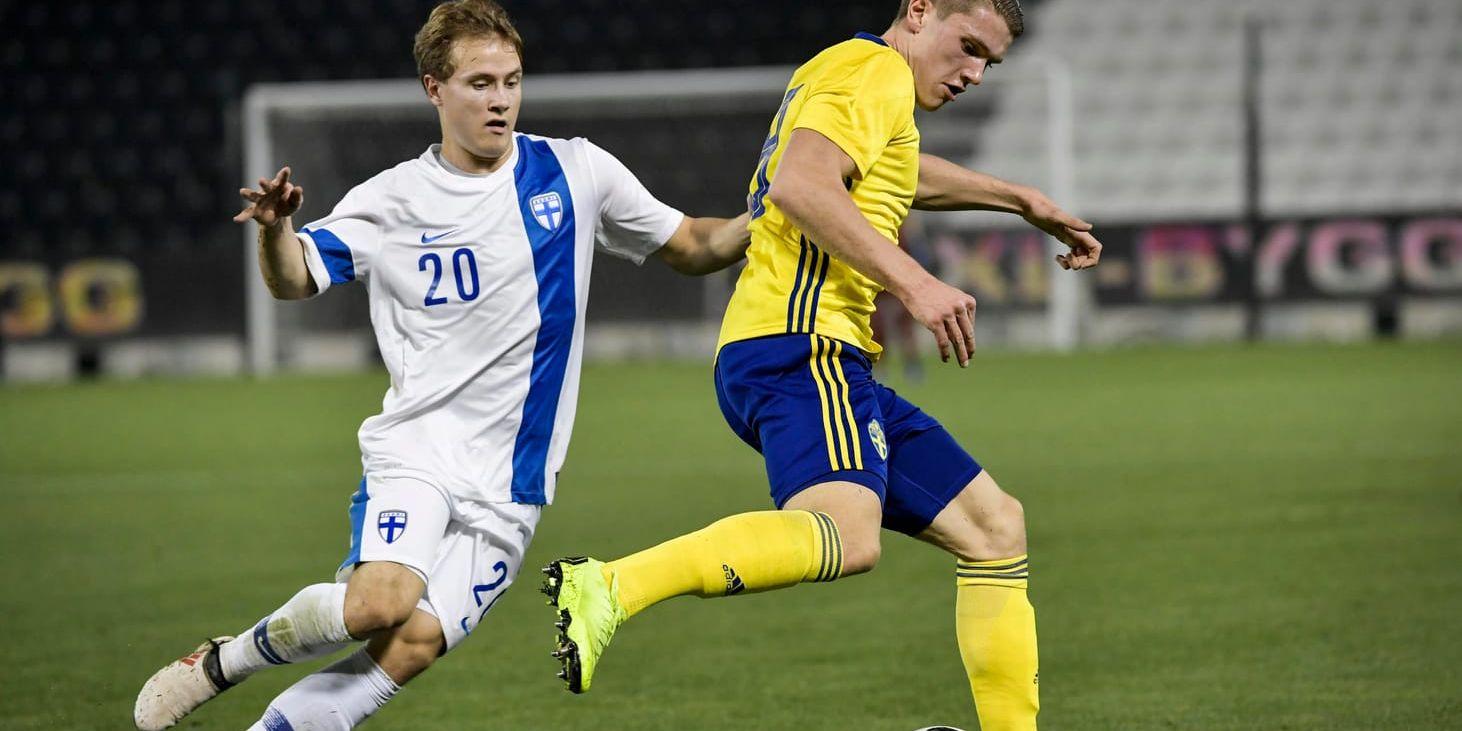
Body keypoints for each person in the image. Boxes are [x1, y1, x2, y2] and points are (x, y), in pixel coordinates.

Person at [131, 2, 750, 729]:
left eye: (512, 81)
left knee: (412, 642)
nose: (500, 100)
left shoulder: (576, 171)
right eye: (480, 82)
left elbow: (693, 246)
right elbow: (295, 278)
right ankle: (223, 662)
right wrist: (278, 229)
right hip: (420, 452)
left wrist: (765, 216)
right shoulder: (393, 199)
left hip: (516, 481)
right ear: (435, 89)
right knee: (380, 604)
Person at [541, 1, 1101, 729]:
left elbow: (897, 170)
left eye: (988, 63)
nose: (973, 73)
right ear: (920, 9)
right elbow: (801, 185)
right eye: (967, 47)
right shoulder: (875, 70)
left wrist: (1018, 198)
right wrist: (916, 281)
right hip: (802, 347)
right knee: (848, 534)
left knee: (995, 527)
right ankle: (610, 585)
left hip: (807, 353)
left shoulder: (859, 76)